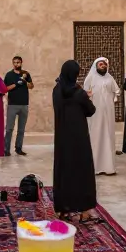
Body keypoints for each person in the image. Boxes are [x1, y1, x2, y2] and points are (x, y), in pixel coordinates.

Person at [52, 60, 99, 222]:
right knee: (81, 172)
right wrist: (87, 96)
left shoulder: (56, 90)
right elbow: (91, 110)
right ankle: (84, 211)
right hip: (79, 139)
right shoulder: (79, 93)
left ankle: (63, 210)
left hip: (62, 138)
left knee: (64, 171)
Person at [84, 57, 119, 175]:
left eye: (104, 64)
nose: (103, 66)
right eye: (100, 64)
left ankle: (109, 167)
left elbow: (117, 91)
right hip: (95, 113)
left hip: (108, 113)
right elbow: (85, 94)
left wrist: (115, 97)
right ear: (96, 66)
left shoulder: (110, 78)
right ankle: (95, 167)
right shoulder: (90, 78)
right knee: (96, 136)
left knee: (108, 136)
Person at [3, 55, 34, 156]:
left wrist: (25, 81)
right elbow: (5, 88)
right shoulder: (9, 75)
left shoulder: (26, 74)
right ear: (13, 63)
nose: (16, 64)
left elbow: (31, 86)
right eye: (15, 62)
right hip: (12, 105)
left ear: (21, 63)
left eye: (18, 62)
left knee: (21, 129)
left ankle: (18, 148)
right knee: (9, 128)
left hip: (24, 105)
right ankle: (6, 149)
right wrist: (17, 84)